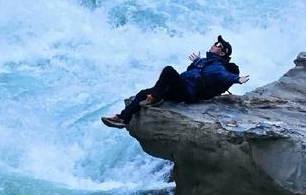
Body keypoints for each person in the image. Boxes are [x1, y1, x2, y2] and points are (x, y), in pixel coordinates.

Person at [101, 35, 250, 128]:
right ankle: (122, 119)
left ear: (223, 53)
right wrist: (197, 62)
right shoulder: (204, 61)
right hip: (182, 88)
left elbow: (224, 76)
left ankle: (155, 98)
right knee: (142, 93)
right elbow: (191, 71)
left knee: (168, 70)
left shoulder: (217, 66)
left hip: (189, 92)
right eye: (215, 43)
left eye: (218, 46)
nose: (214, 45)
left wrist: (238, 79)